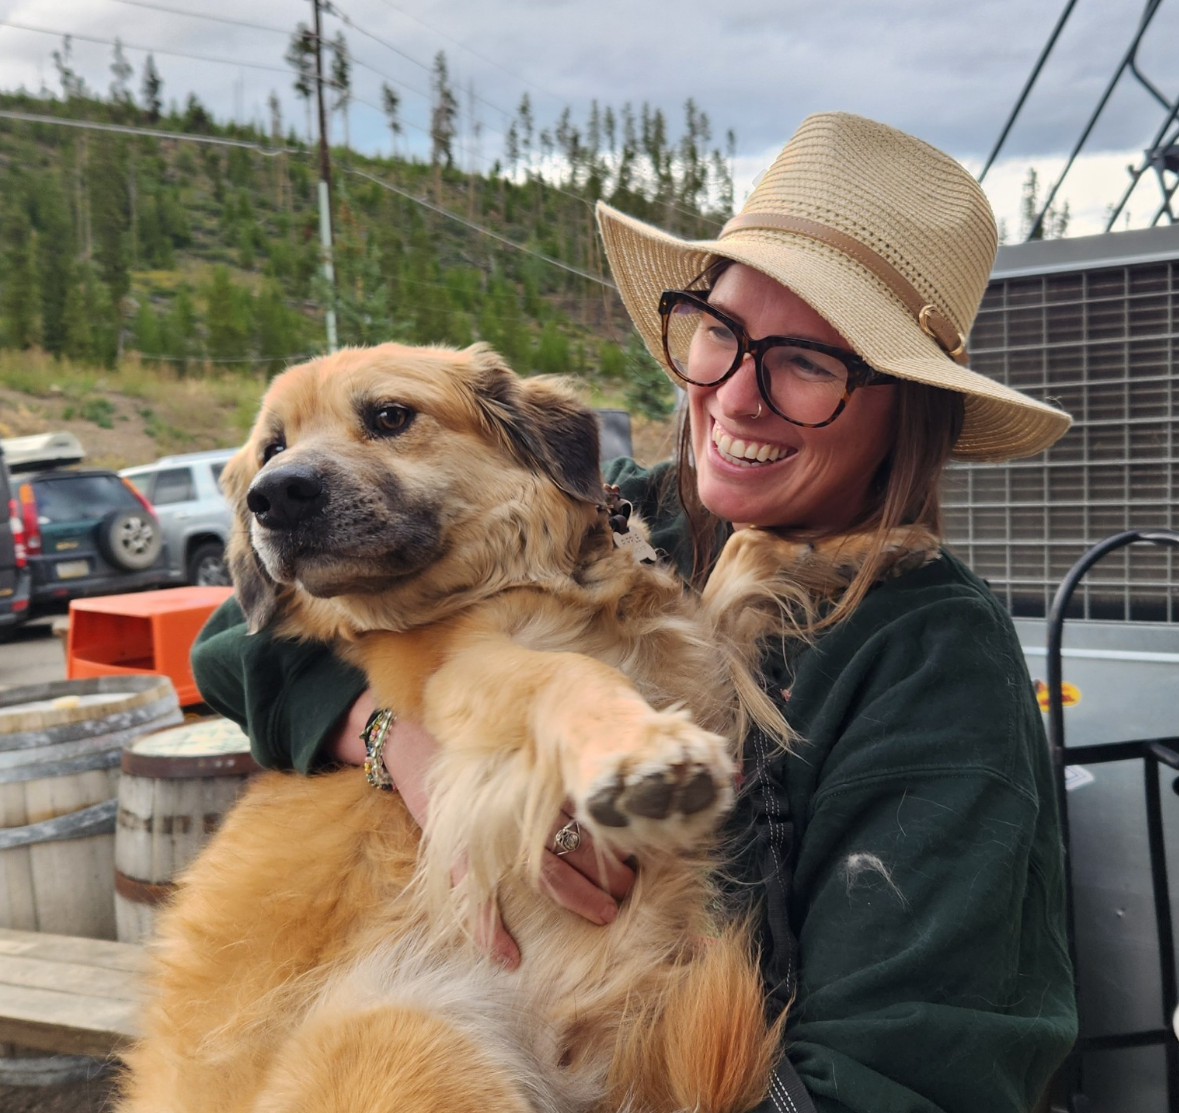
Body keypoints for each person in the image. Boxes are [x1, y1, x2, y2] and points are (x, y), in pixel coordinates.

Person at [192, 112, 1078, 1113]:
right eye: (722, 333)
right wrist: (398, 736)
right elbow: (241, 637)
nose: (738, 397)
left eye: (809, 362)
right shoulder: (616, 517)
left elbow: (913, 1066)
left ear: (907, 406)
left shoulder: (929, 653)